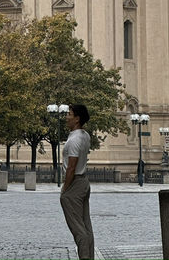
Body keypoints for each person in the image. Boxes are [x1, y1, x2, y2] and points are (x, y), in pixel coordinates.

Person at [60, 104, 94, 260]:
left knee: (78, 228)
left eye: (69, 114)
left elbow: (71, 167)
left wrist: (65, 189)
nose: (66, 116)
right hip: (83, 182)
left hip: (75, 183)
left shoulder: (75, 139)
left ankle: (85, 257)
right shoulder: (85, 135)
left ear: (77, 118)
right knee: (86, 226)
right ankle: (89, 256)